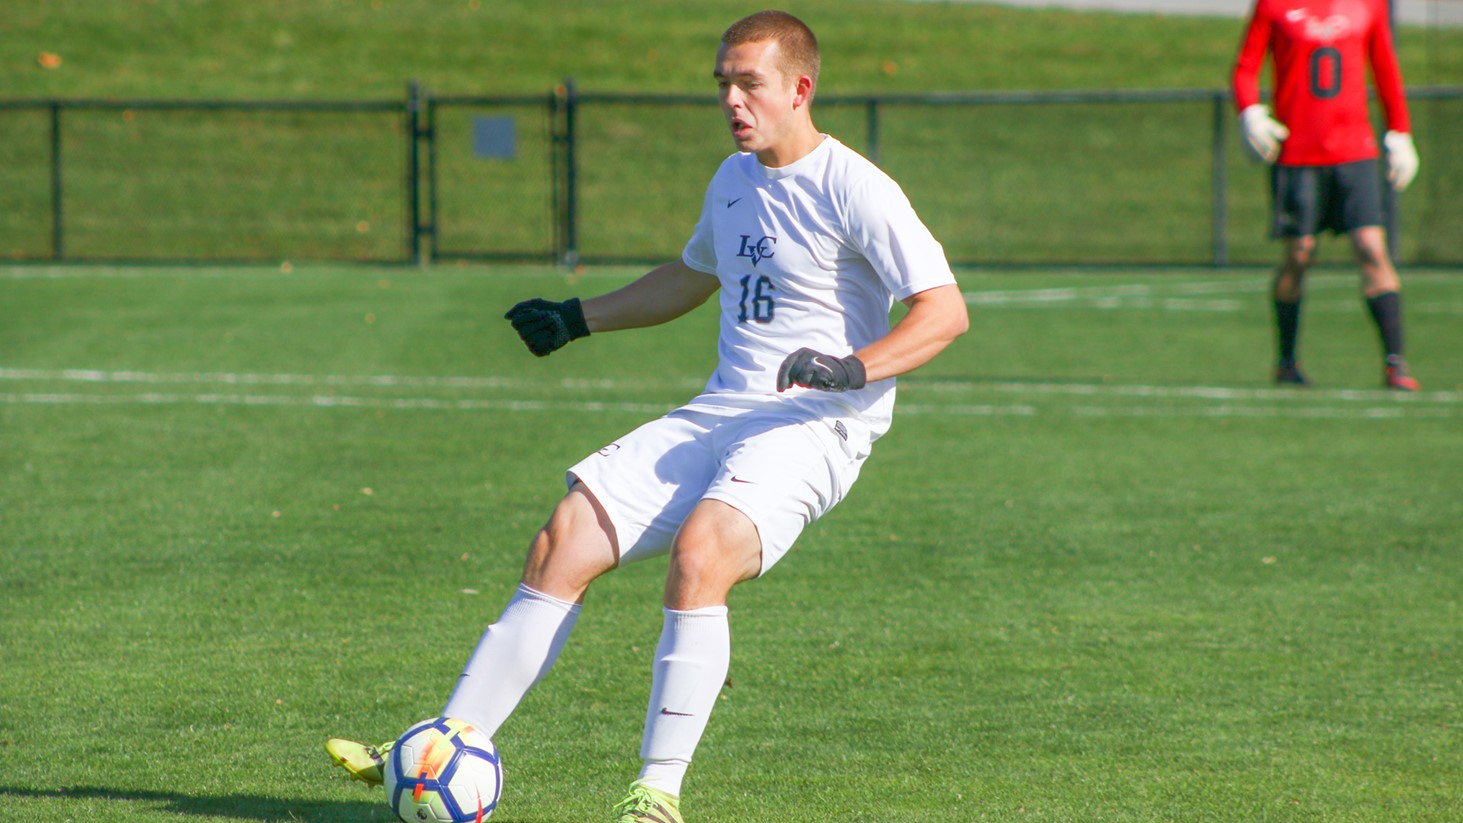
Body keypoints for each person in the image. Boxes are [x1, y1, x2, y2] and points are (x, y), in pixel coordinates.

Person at [325, 10, 968, 822]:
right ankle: (444, 745)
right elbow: (688, 277)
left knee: (700, 556)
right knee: (566, 535)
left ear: (800, 89)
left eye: (750, 83)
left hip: (815, 427)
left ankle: (655, 791)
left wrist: (850, 367)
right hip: (723, 410)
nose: (732, 99)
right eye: (723, 84)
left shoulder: (857, 187)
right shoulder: (731, 180)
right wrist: (576, 316)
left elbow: (944, 312)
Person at [1232, 0, 1420, 390]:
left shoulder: (1369, 4)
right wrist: (1249, 111)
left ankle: (1395, 365)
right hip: (1297, 152)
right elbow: (1245, 68)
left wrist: (1400, 131)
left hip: (1354, 152)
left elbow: (1385, 68)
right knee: (1299, 253)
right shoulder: (1273, 5)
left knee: (1371, 247)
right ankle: (1286, 362)